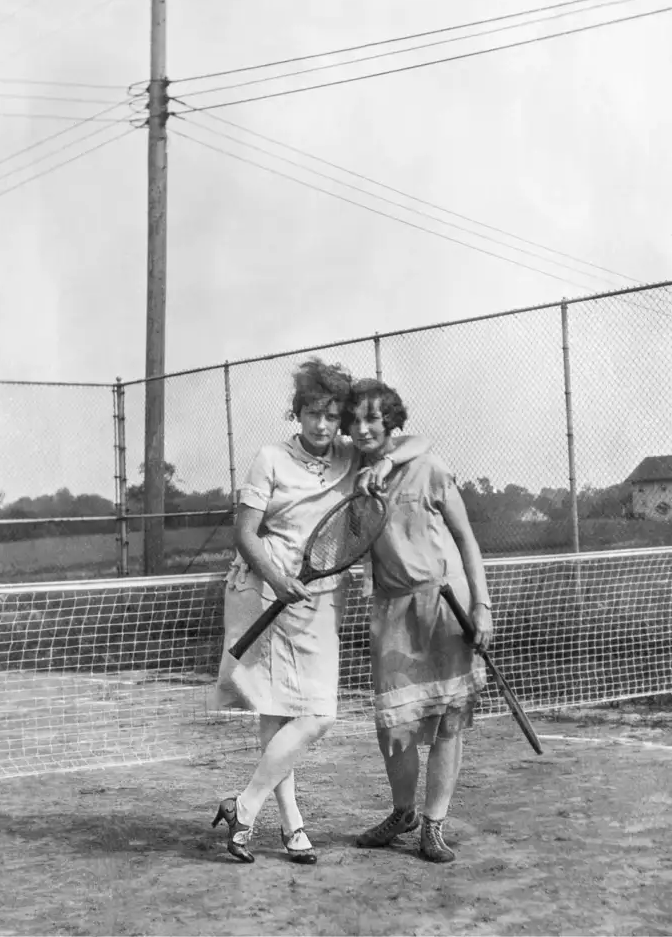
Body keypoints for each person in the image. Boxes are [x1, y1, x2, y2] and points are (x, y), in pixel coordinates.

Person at [211, 358, 431, 865]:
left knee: (318, 716)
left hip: (322, 597)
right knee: (276, 715)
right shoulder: (268, 458)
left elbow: (418, 443)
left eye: (333, 415)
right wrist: (275, 577)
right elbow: (245, 533)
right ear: (298, 413)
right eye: (313, 413)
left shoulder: (351, 456)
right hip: (262, 591)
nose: (322, 424)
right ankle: (292, 827)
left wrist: (377, 465)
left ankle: (243, 806)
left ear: (342, 420)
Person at [342, 378, 493, 864]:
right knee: (397, 727)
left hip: (446, 606)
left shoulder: (428, 468)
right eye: (356, 420)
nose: (363, 429)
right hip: (390, 610)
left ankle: (434, 824)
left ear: (391, 421)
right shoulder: (352, 474)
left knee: (448, 724)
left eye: (373, 419)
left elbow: (467, 539)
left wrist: (482, 606)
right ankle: (402, 812)